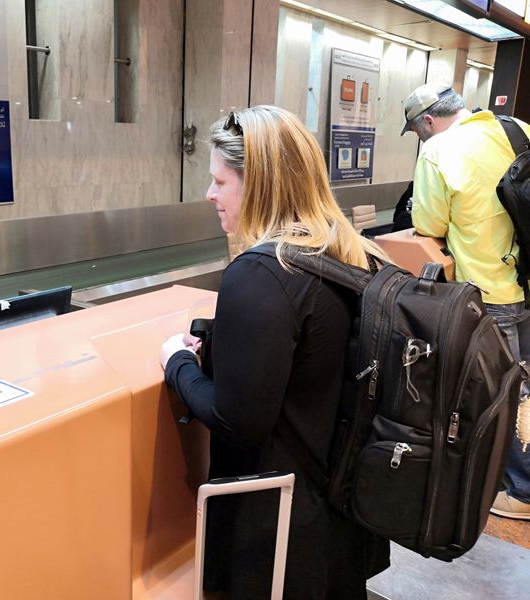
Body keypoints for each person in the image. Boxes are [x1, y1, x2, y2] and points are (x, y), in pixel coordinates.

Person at [159, 106, 390, 599]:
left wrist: (176, 364)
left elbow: (237, 421)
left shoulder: (261, 274)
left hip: (277, 530)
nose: (210, 195)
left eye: (220, 182)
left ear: (259, 184)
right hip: (342, 512)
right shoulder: (352, 255)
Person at [402, 82, 530, 520]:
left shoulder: (438, 151)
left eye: (418, 130)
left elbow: (427, 225)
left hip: (492, 291)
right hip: (529, 280)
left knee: (505, 392)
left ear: (427, 122)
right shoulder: (518, 129)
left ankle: (523, 491)